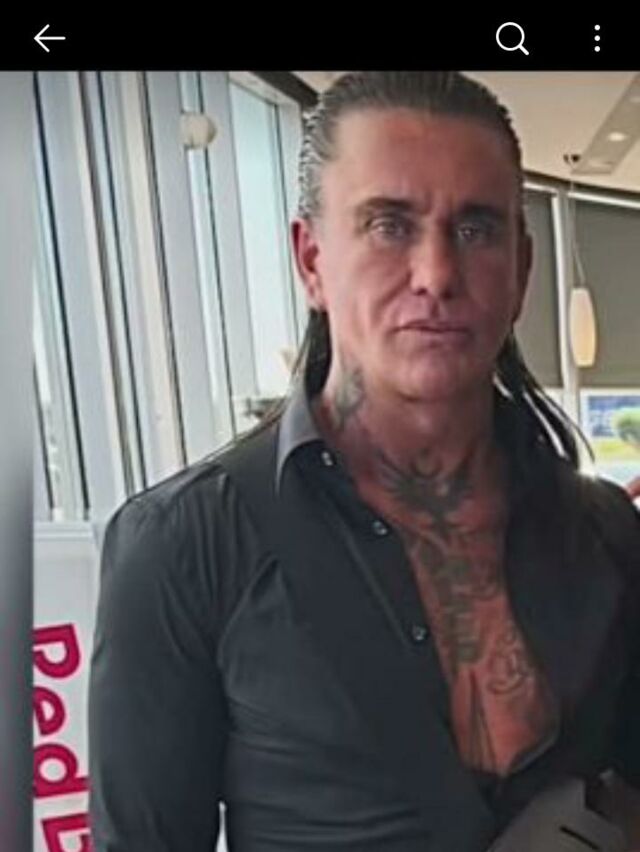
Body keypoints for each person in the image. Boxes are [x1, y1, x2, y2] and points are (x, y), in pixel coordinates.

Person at [89, 71, 640, 851]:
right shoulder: (184, 546)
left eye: (475, 229)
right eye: (389, 225)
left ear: (521, 268)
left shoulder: (604, 533)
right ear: (312, 259)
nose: (436, 275)